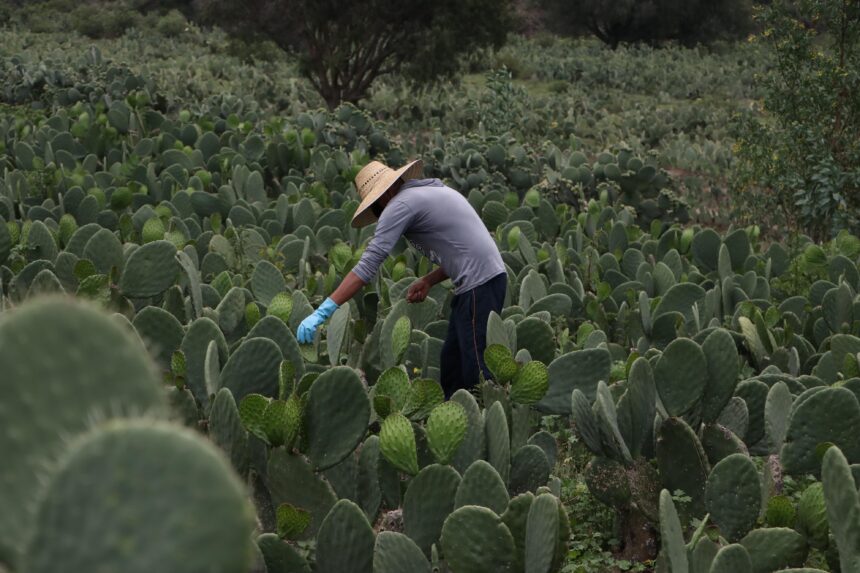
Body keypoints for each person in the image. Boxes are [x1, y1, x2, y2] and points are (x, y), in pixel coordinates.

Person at [296, 159, 507, 397]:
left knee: (477, 371)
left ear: (384, 194)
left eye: (375, 206)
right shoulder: (429, 191)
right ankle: (463, 423)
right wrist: (428, 280)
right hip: (483, 280)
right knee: (452, 367)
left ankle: (490, 425)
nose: (378, 213)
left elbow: (367, 267)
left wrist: (322, 312)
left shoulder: (400, 204)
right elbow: (462, 250)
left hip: (479, 285)